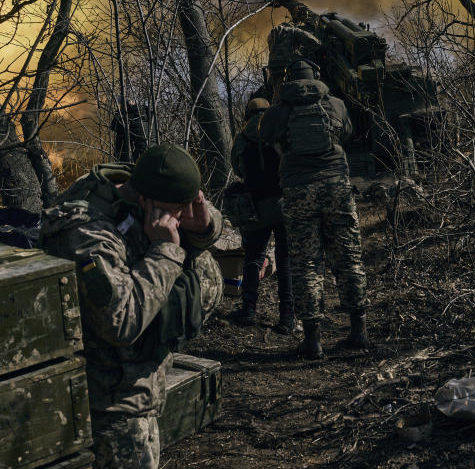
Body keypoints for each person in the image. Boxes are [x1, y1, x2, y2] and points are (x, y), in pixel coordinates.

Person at [38, 144, 223, 469]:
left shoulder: (148, 188)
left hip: (142, 379)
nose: (181, 218)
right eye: (176, 213)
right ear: (144, 201)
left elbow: (207, 216)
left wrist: (204, 229)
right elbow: (120, 322)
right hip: (112, 400)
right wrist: (166, 250)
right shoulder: (87, 233)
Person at [259, 59, 370, 359]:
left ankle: (313, 339)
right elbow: (347, 132)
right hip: (336, 185)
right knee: (349, 256)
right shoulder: (335, 104)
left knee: (306, 263)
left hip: (297, 190)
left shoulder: (277, 110)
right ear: (317, 76)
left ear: (287, 80)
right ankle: (358, 331)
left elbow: (264, 137)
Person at [228, 97, 297, 334]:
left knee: (254, 257)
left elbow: (237, 168)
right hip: (282, 202)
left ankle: (248, 310)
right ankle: (287, 318)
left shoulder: (241, 138)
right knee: (285, 261)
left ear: (248, 113)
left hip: (255, 205)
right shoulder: (278, 131)